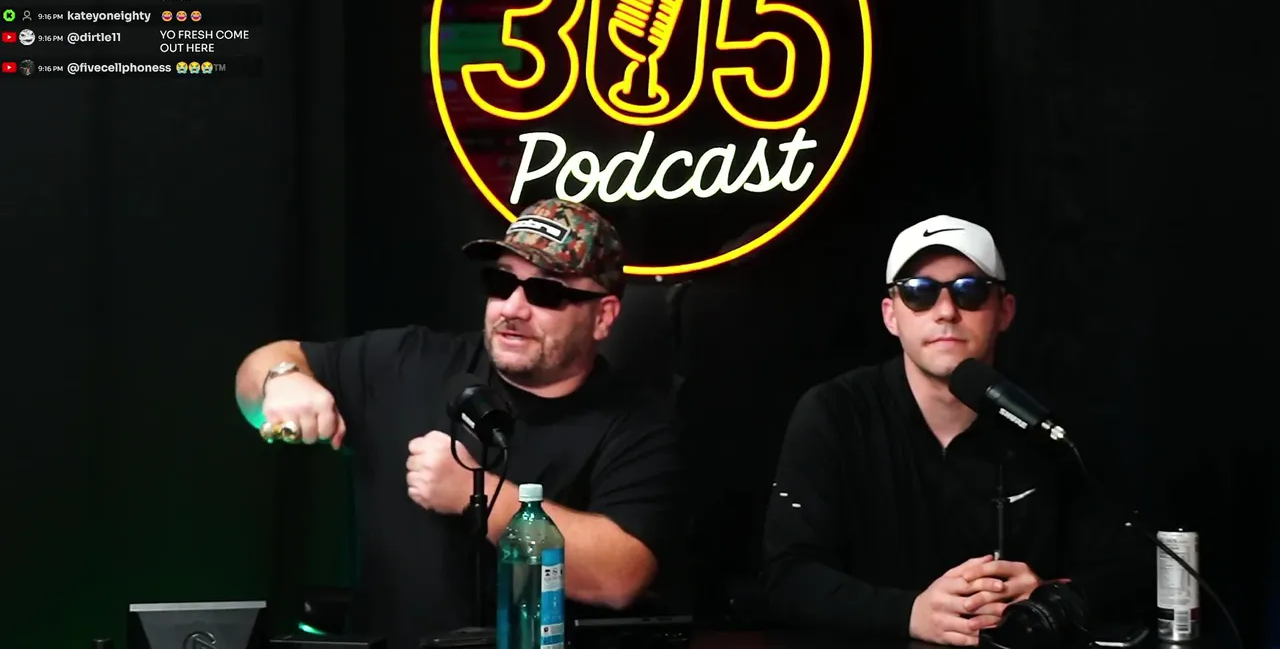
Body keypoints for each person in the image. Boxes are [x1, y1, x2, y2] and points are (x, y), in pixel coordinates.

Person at [234, 199, 684, 649]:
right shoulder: (410, 362)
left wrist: (475, 494)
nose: (513, 308)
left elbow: (619, 576)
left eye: (546, 292)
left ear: (603, 316)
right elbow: (260, 367)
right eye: (501, 283)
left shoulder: (639, 424)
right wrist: (282, 379)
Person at [761, 215, 1148, 646]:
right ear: (891, 315)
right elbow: (787, 578)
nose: (946, 311)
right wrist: (909, 613)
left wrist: (1054, 598)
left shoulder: (1045, 423)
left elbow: (1137, 566)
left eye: (970, 290)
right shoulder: (836, 413)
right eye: (919, 292)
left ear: (1005, 310)